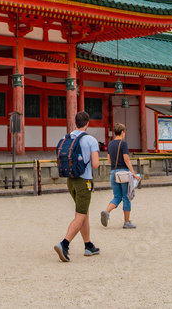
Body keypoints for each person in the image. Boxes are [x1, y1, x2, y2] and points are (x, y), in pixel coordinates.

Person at [55, 111, 101, 262]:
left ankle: (88, 245)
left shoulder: (67, 137)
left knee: (84, 213)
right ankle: (64, 244)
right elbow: (95, 164)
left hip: (71, 180)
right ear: (87, 123)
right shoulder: (90, 140)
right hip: (84, 181)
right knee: (80, 216)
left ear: (75, 122)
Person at [101, 123, 141, 228]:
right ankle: (126, 222)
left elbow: (109, 160)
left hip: (113, 173)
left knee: (117, 197)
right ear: (122, 132)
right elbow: (126, 159)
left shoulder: (110, 144)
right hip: (123, 174)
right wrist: (133, 173)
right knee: (126, 197)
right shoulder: (123, 144)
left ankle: (107, 211)